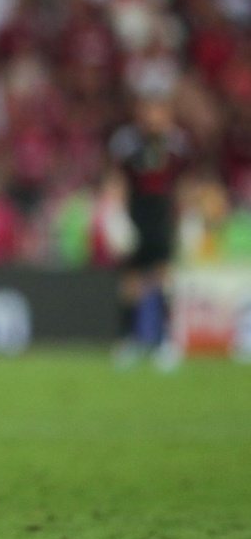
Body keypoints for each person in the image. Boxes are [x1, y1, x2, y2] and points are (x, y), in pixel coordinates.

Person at [107, 95, 189, 369]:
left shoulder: (176, 144)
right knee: (131, 282)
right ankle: (128, 340)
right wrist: (117, 217)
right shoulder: (127, 143)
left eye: (159, 109)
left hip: (162, 215)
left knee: (163, 278)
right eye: (149, 109)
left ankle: (164, 341)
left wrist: (186, 218)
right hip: (137, 213)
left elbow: (182, 184)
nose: (154, 115)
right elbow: (117, 181)